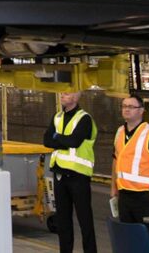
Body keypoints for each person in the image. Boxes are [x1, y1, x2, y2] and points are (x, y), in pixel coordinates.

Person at [110, 91, 149, 253]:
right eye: (124, 106)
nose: (126, 110)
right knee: (130, 239)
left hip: (146, 197)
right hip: (125, 195)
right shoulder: (119, 132)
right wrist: (114, 188)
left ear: (141, 111)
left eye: (131, 107)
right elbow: (116, 160)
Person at [43, 91, 97, 253]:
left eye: (67, 93)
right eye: (62, 93)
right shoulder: (57, 116)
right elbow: (46, 140)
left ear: (76, 97)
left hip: (78, 175)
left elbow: (74, 141)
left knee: (85, 220)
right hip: (60, 175)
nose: (62, 96)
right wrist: (63, 140)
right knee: (63, 221)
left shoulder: (84, 119)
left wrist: (57, 137)